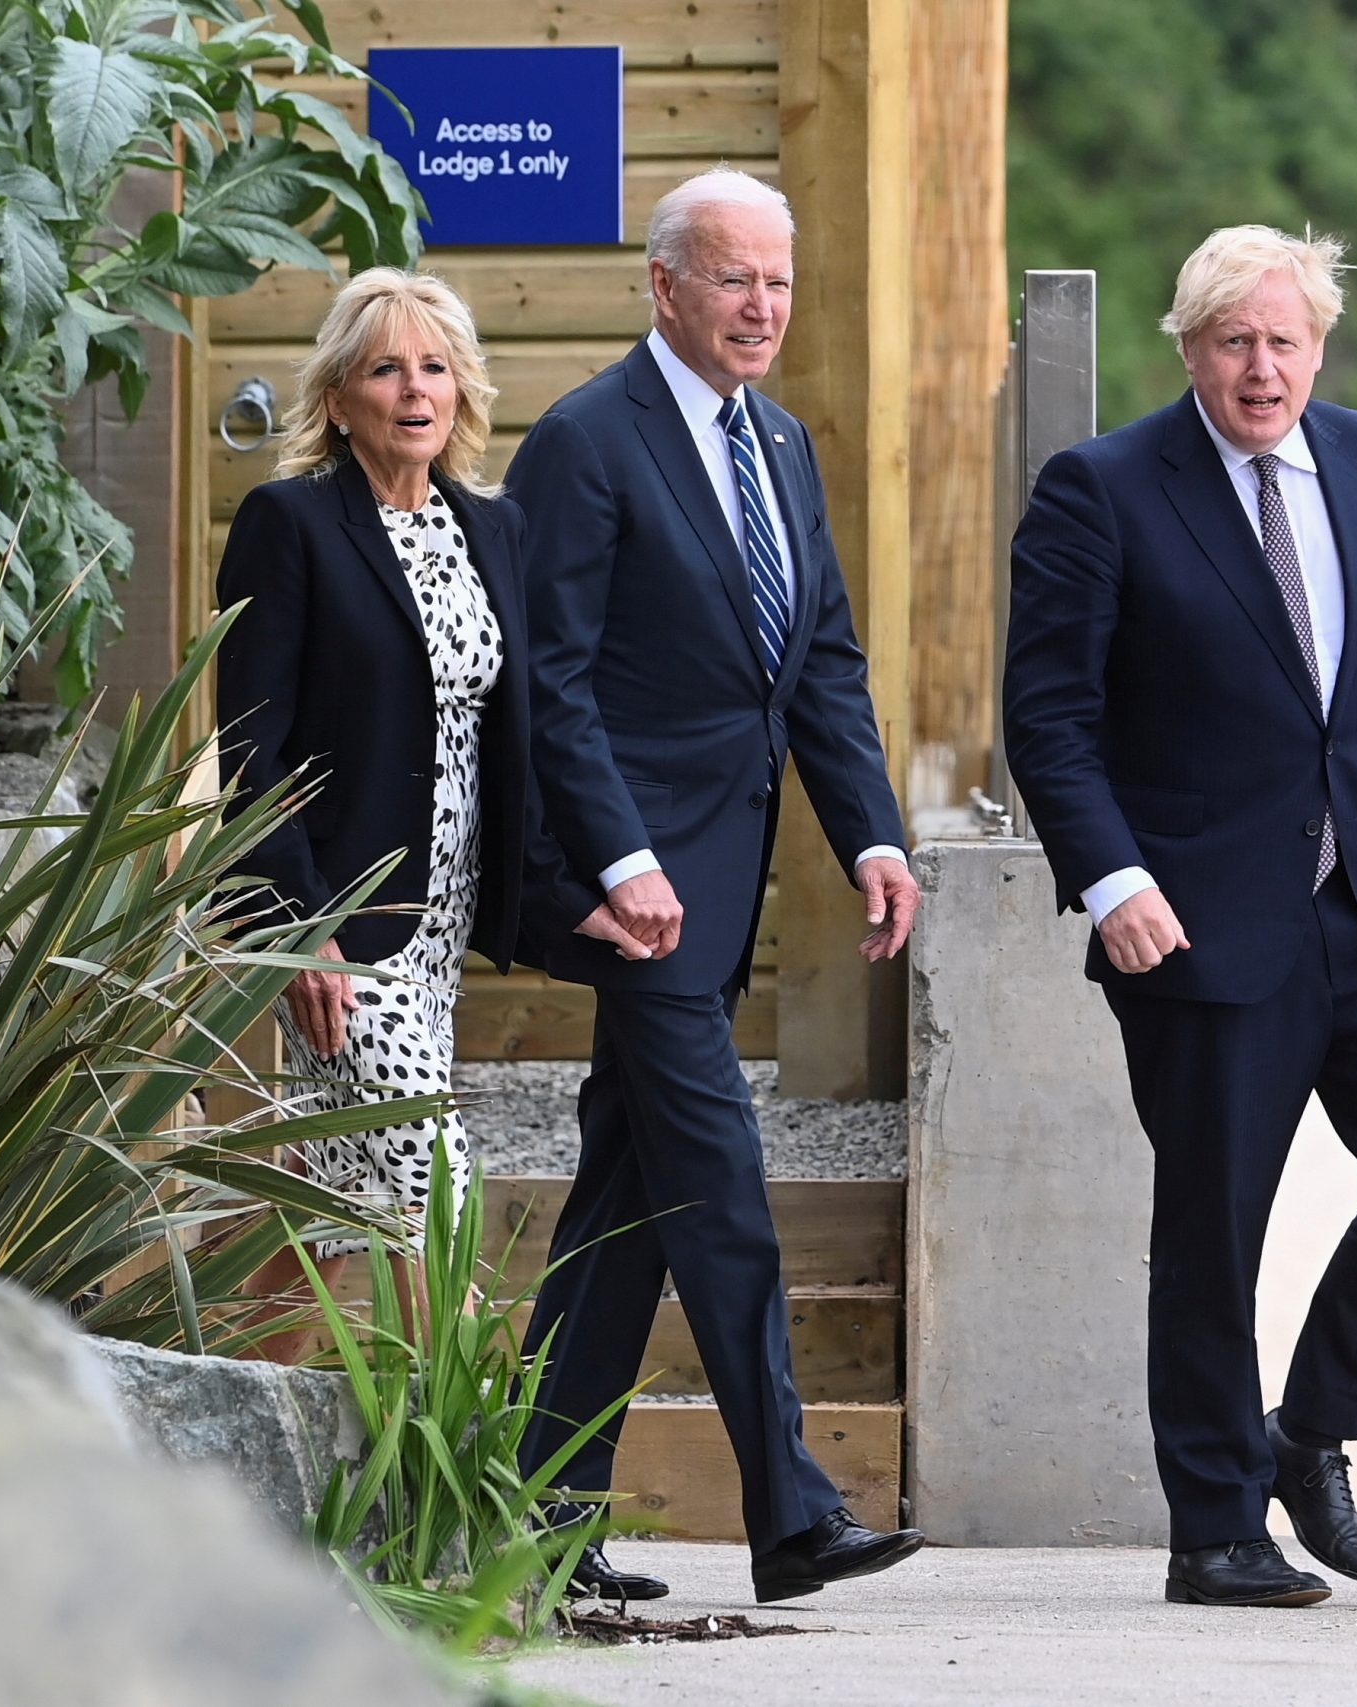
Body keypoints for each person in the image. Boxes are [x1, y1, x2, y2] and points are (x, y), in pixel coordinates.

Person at [1003, 224, 1357, 1609]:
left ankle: (1310, 1431)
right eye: (1235, 341)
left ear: (1321, 346)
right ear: (1189, 348)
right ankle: (1214, 1527)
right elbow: (1048, 719)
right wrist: (1114, 882)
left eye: (1285, 340)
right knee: (1217, 1229)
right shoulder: (1100, 488)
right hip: (1198, 923)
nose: (1262, 366)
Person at [507, 167, 925, 1606]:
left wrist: (870, 831)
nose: (762, 306)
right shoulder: (584, 442)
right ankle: (793, 1507)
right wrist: (619, 855)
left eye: (780, 281)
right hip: (636, 890)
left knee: (625, 1197)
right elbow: (548, 679)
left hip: (725, 878)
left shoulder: (785, 445)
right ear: (665, 287)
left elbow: (818, 663)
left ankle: (535, 1512)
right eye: (735, 278)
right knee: (722, 1182)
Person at [212, 269, 634, 1340]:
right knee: (430, 1186)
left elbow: (516, 741)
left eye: (434, 367)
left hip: (439, 926)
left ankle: (205, 1443)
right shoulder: (289, 522)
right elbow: (248, 747)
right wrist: (299, 937)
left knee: (333, 1200)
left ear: (462, 391)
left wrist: (566, 889)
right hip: (341, 925)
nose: (415, 388)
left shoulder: (493, 532)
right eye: (385, 368)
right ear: (339, 398)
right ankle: (457, 1463)